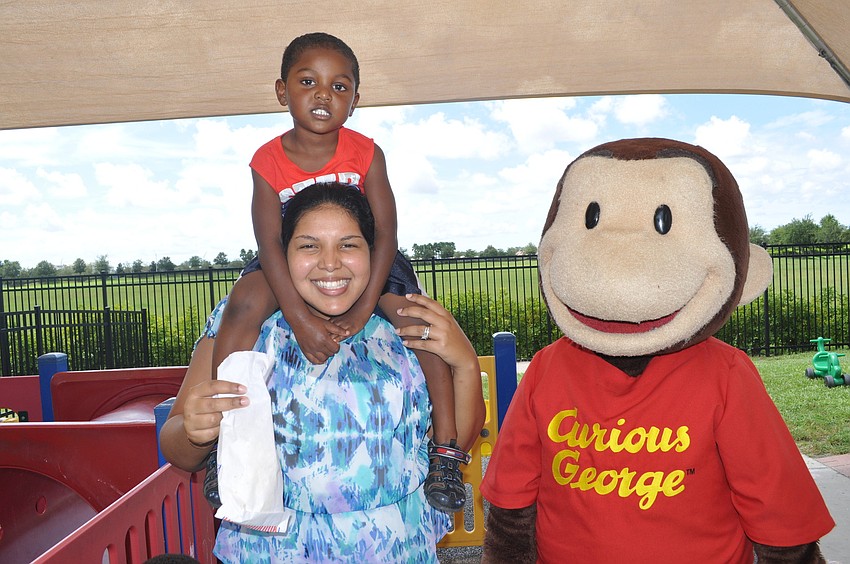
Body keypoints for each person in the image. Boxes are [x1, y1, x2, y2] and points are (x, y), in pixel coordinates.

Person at [160, 184, 486, 562]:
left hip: (396, 549)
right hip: (270, 551)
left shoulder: (408, 324)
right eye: (308, 246)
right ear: (281, 255)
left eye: (348, 245)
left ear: (374, 253)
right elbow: (177, 447)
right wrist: (196, 434)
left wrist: (465, 362)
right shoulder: (244, 324)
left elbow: (457, 442)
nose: (330, 263)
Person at [212, 32, 468, 512]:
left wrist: (365, 308)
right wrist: (300, 320)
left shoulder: (367, 152)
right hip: (288, 257)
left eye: (339, 86)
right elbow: (269, 243)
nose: (323, 95)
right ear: (282, 91)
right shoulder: (267, 160)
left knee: (418, 324)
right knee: (243, 304)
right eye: (308, 81)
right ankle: (224, 432)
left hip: (369, 256)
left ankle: (446, 450)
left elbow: (386, 234)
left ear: (355, 99)